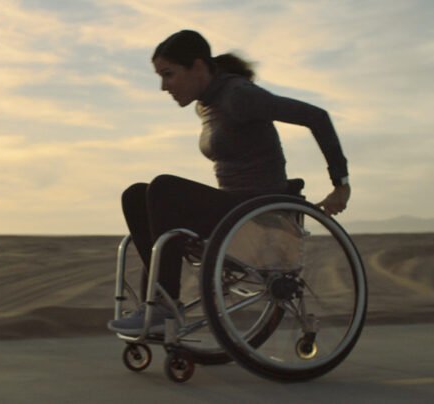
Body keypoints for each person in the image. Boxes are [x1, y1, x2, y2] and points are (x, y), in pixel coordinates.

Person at [107, 30, 350, 335]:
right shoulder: (206, 103)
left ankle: (163, 306)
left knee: (163, 188)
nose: (163, 86)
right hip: (231, 209)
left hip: (259, 210)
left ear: (197, 67)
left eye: (168, 74)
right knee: (136, 195)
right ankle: (158, 304)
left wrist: (340, 183)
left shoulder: (238, 95)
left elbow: (317, 116)